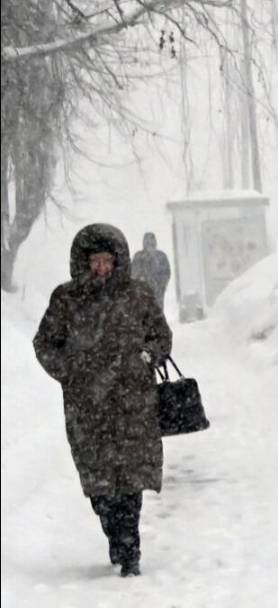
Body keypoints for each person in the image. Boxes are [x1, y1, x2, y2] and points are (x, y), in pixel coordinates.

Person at [33, 224, 174, 577]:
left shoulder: (138, 295)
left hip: (133, 404)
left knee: (130, 481)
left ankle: (130, 550)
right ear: (82, 261)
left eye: (106, 260)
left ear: (118, 261)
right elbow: (45, 343)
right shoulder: (66, 299)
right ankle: (115, 535)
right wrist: (69, 371)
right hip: (87, 407)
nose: (100, 268)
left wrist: (147, 356)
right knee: (100, 488)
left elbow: (161, 336)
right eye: (94, 261)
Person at [133, 231, 172, 308]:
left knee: (157, 314)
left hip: (157, 293)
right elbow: (134, 274)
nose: (150, 245)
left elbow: (166, 273)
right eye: (148, 242)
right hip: (142, 294)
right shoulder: (139, 257)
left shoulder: (161, 256)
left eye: (151, 242)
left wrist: (161, 285)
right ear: (144, 243)